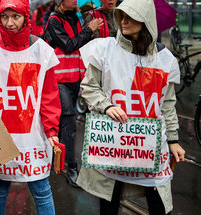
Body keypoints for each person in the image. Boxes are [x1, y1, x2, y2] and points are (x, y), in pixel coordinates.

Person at [78, 0, 186, 214]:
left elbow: (167, 104)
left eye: (130, 16)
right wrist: (107, 106)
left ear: (145, 20)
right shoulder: (104, 49)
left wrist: (173, 140)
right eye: (121, 16)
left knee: (160, 205)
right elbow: (89, 87)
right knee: (110, 202)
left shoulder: (164, 59)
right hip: (115, 142)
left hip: (151, 145)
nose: (123, 21)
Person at [0, 0, 61, 214]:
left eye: (15, 17)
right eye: (4, 17)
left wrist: (52, 131)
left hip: (33, 137)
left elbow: (49, 96)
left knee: (41, 188)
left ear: (26, 17)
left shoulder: (41, 50)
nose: (9, 23)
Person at [43, 0, 103, 188]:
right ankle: (71, 167)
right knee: (69, 120)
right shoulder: (54, 20)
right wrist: (89, 30)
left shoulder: (75, 18)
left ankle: (55, 158)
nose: (76, 1)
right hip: (58, 79)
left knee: (62, 122)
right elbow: (69, 45)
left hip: (75, 78)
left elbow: (81, 45)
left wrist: (90, 28)